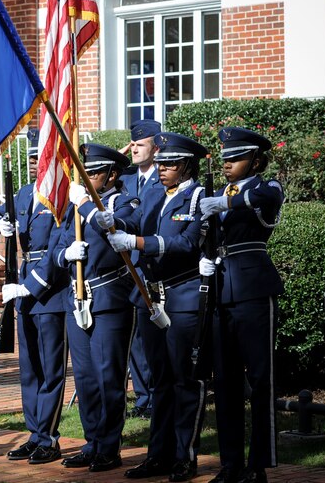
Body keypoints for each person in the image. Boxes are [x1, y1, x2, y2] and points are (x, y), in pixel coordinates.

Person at [96, 132, 210, 482]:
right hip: (151, 297)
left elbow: (187, 243)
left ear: (187, 166)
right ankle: (158, 454)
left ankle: (184, 455)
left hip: (182, 296)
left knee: (183, 380)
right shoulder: (154, 194)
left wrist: (138, 242)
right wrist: (113, 223)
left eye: (170, 164)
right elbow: (136, 220)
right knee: (159, 381)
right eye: (160, 163)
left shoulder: (198, 198)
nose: (162, 169)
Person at [199, 128, 284, 483]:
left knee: (260, 378)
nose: (228, 165)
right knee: (227, 382)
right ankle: (230, 462)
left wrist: (226, 203)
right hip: (221, 291)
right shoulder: (215, 193)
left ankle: (259, 464)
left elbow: (266, 198)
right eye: (225, 160)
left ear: (256, 160)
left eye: (235, 158)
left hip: (252, 288)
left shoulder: (268, 187)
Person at [0, 131, 69, 465]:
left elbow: (57, 249)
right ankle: (34, 434)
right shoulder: (22, 193)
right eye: (32, 159)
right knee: (29, 368)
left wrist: (29, 286)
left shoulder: (59, 199)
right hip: (23, 291)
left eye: (40, 157)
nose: (36, 164)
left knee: (50, 368)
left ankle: (49, 437)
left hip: (49, 290)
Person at [54, 143, 139, 473]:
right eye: (83, 171)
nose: (84, 177)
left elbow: (116, 227)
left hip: (110, 298)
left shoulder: (125, 201)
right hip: (77, 297)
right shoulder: (76, 206)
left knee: (108, 377)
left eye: (92, 172)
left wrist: (86, 204)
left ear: (112, 174)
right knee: (86, 378)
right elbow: (60, 243)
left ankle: (109, 445)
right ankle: (92, 442)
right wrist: (65, 255)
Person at [118, 118, 162, 420]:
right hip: (127, 269)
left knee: (153, 338)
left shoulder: (166, 176)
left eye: (141, 144)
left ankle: (158, 396)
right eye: (132, 143)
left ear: (156, 148)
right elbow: (100, 170)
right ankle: (143, 397)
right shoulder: (127, 179)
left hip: (153, 265)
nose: (134, 148)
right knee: (134, 339)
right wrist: (122, 157)